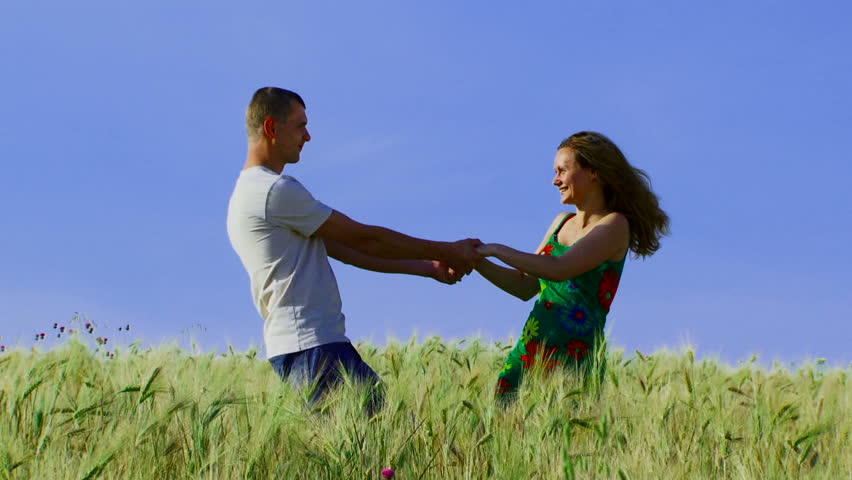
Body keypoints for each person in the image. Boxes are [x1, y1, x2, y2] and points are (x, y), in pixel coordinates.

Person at [226, 87, 482, 413]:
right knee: (376, 441)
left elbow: (348, 249)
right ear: (272, 129)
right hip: (313, 345)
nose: (308, 136)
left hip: (306, 345)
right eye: (300, 125)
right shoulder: (273, 191)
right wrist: (448, 250)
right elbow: (363, 237)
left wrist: (427, 266)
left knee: (373, 438)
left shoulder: (248, 194)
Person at [474, 131, 670, 402]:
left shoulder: (614, 225)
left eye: (562, 171)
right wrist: (476, 262)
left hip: (575, 360)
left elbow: (559, 268)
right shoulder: (560, 223)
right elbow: (523, 285)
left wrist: (495, 249)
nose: (555, 180)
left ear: (594, 172)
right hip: (530, 350)